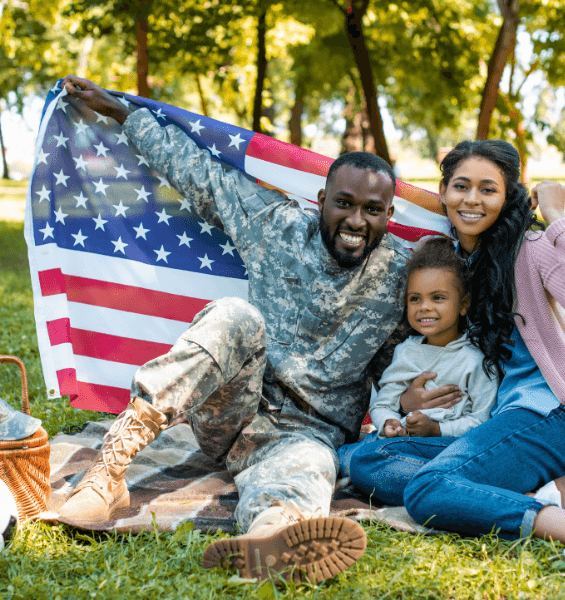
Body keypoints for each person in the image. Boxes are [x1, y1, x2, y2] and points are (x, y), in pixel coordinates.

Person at [54, 76, 461, 584]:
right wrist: (119, 112)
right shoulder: (276, 226)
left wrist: (408, 401)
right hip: (232, 408)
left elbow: (431, 335)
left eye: (372, 210)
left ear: (388, 215)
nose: (356, 220)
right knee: (235, 316)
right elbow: (200, 173)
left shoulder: (405, 277)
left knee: (305, 476)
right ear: (321, 199)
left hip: (307, 432)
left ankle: (272, 539)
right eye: (344, 203)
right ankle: (109, 473)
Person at [345, 140, 565, 577]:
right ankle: (543, 493)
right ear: (444, 191)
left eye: (488, 189)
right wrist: (409, 405)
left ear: (508, 196)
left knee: (426, 489)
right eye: (460, 187)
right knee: (367, 460)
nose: (472, 200)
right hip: (492, 422)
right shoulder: (452, 260)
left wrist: (559, 218)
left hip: (552, 418)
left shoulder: (529, 248)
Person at [366, 237, 497, 440]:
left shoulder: (474, 360)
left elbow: (483, 420)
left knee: (367, 460)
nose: (424, 307)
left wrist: (436, 429)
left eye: (438, 297)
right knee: (358, 457)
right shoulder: (406, 351)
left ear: (463, 304)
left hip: (449, 447)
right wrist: (388, 422)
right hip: (403, 441)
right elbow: (383, 403)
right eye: (415, 298)